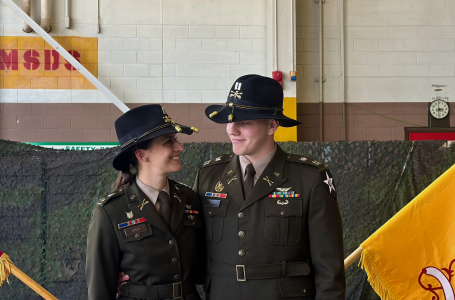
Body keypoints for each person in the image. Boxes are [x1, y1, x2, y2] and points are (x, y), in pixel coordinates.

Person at [194, 74, 346, 299]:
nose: (231, 130)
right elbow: (187, 245)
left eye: (244, 122)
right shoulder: (209, 175)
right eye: (230, 120)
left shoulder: (309, 177)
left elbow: (329, 268)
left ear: (272, 125)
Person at [86, 104, 205, 300]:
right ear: (142, 155)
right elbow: (99, 290)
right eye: (168, 142)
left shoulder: (190, 199)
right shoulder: (111, 211)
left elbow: (202, 267)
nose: (179, 147)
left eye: (176, 140)